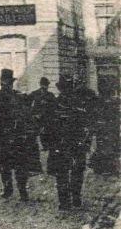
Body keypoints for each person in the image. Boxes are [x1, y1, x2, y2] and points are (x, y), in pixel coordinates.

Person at [0, 68, 40, 202]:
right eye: (4, 82)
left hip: (10, 136)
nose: (5, 84)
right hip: (6, 137)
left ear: (8, 83)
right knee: (8, 165)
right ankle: (11, 189)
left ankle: (19, 190)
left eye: (6, 82)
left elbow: (27, 115)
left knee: (16, 165)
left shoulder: (17, 97)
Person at [47, 76, 94, 210]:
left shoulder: (62, 104)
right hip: (69, 144)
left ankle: (69, 200)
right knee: (71, 172)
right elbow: (48, 126)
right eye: (65, 88)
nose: (67, 91)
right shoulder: (68, 104)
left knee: (68, 172)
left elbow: (87, 125)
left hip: (69, 144)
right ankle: (72, 199)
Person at [90, 78, 120, 176]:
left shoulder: (97, 100)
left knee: (102, 146)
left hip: (102, 127)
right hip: (110, 127)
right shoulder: (114, 101)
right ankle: (109, 167)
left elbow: (94, 114)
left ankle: (102, 167)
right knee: (109, 146)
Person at [29, 76, 57, 156]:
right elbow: (29, 105)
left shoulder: (50, 95)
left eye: (46, 85)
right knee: (39, 132)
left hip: (46, 118)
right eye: (44, 85)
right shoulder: (35, 94)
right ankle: (41, 145)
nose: (45, 87)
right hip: (38, 119)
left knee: (45, 131)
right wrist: (34, 114)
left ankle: (45, 145)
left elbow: (54, 107)